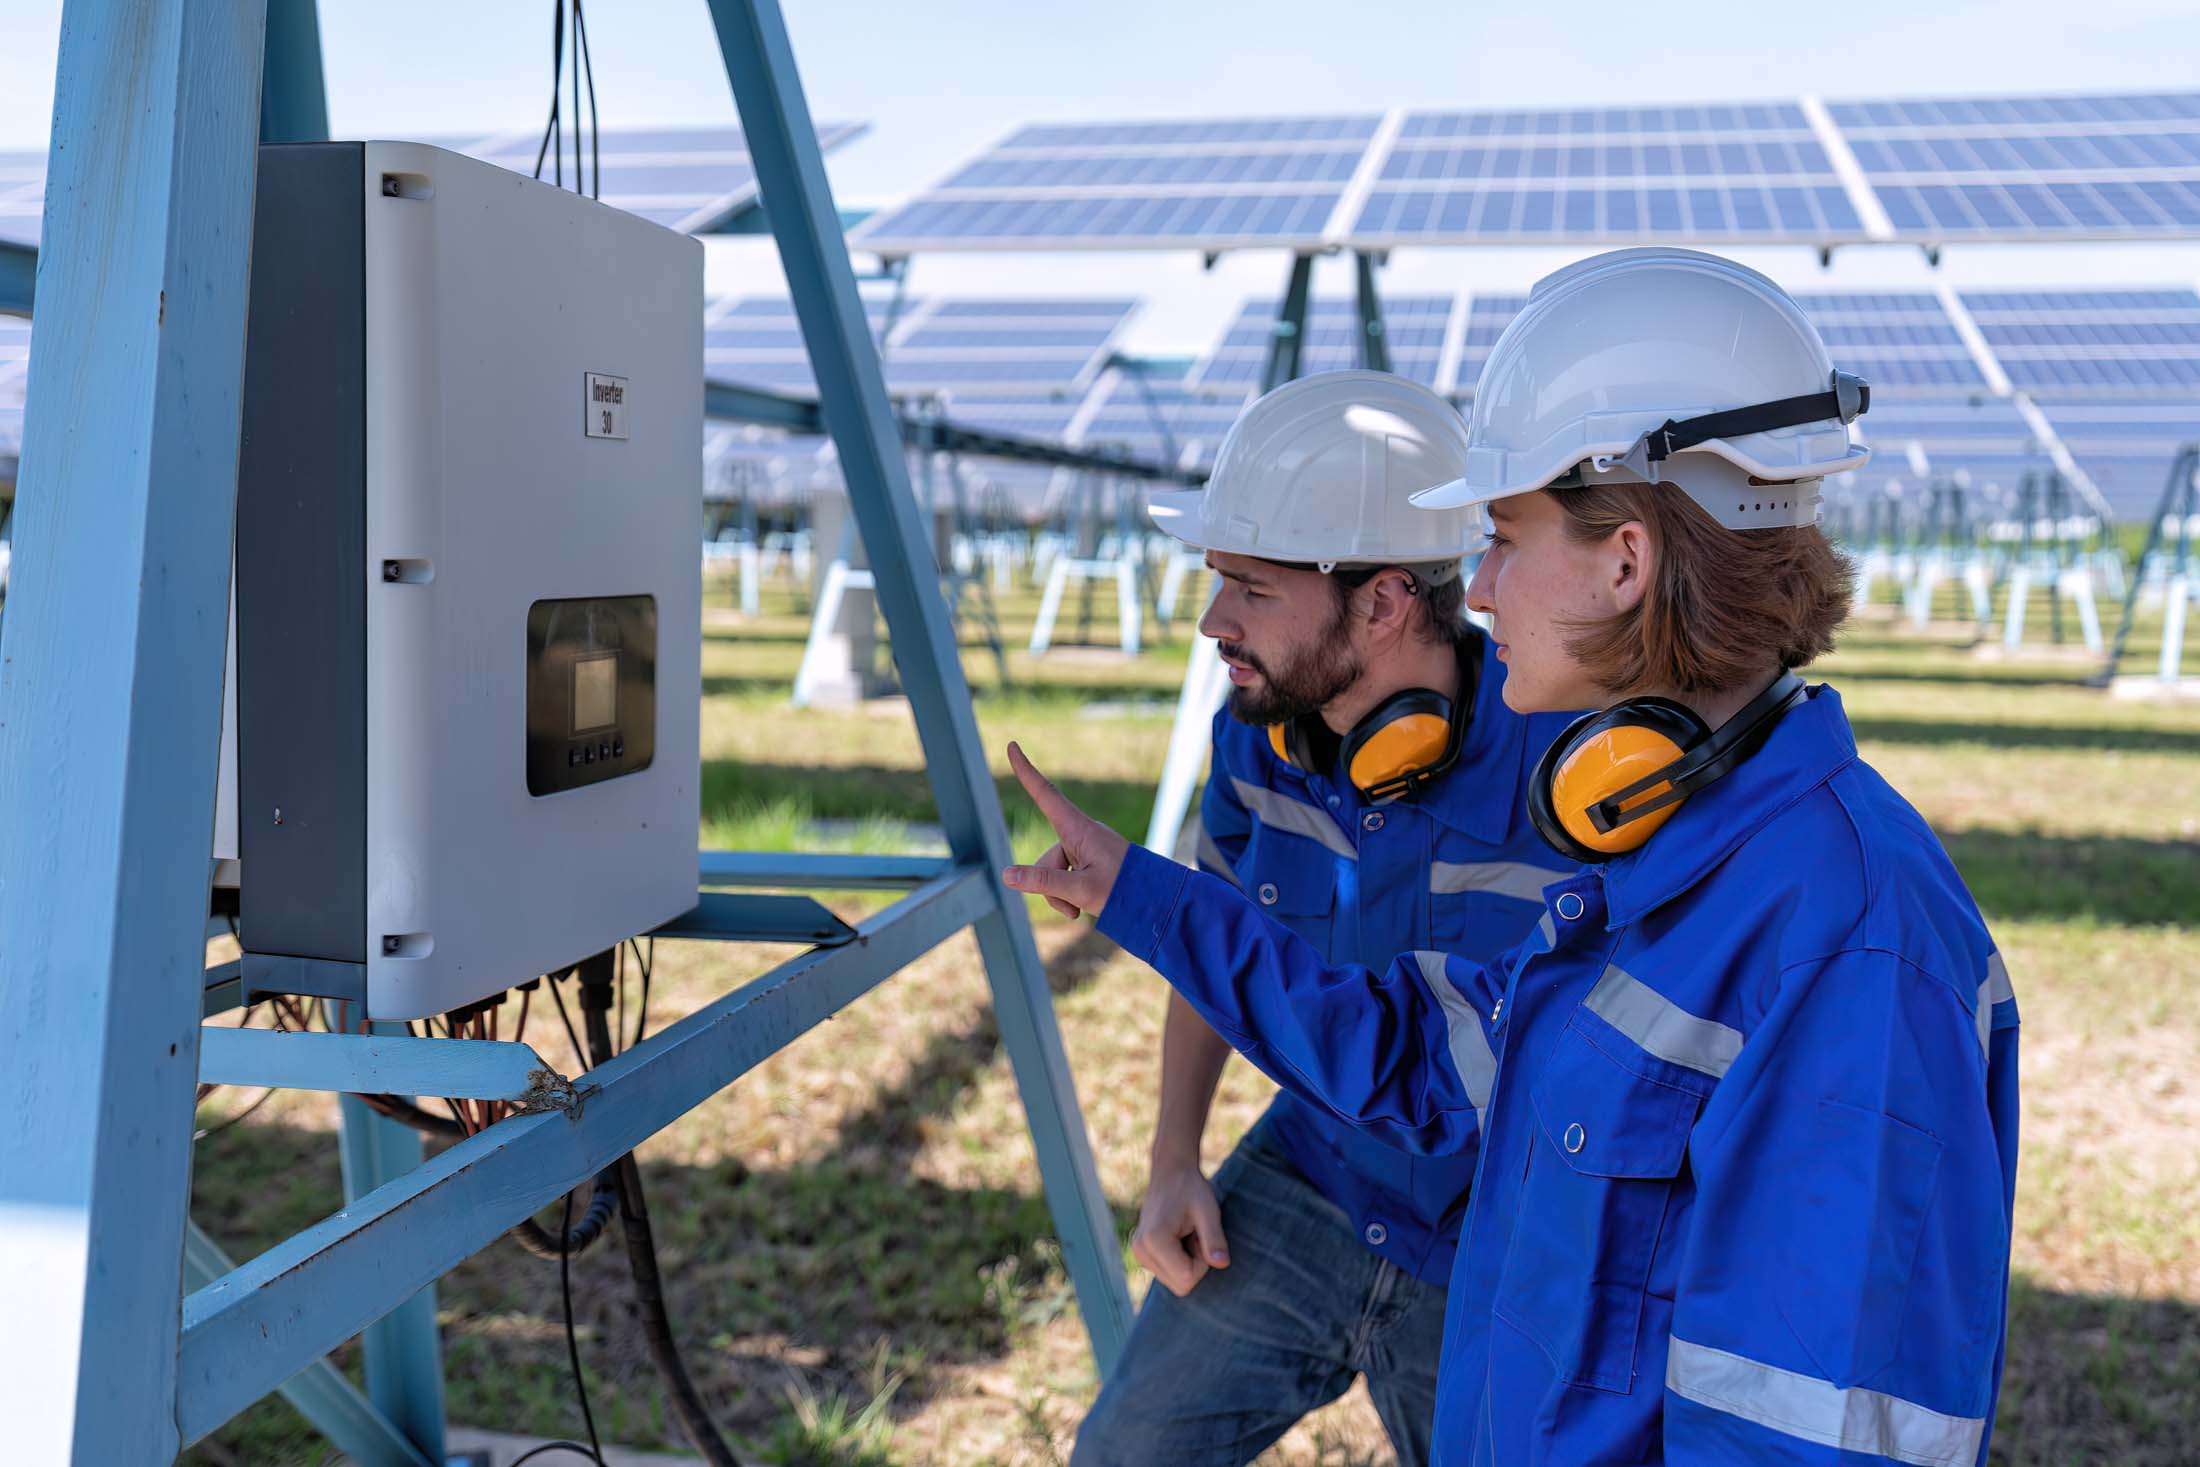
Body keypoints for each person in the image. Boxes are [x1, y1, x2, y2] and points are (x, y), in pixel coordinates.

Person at [1010, 248, 2020, 1466]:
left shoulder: (1851, 943)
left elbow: (1807, 1437)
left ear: (1625, 562)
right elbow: (1421, 1066)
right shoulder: (1661, 847)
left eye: (1498, 538)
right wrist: (1136, 893)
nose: (1476, 592)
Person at [1071, 372, 1574, 1467]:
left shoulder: (1570, 773)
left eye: (1250, 588)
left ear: (1386, 602)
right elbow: (1216, 946)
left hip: (1506, 1236)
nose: (1214, 623)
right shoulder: (1260, 733)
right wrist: (1172, 1160)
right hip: (1318, 1177)